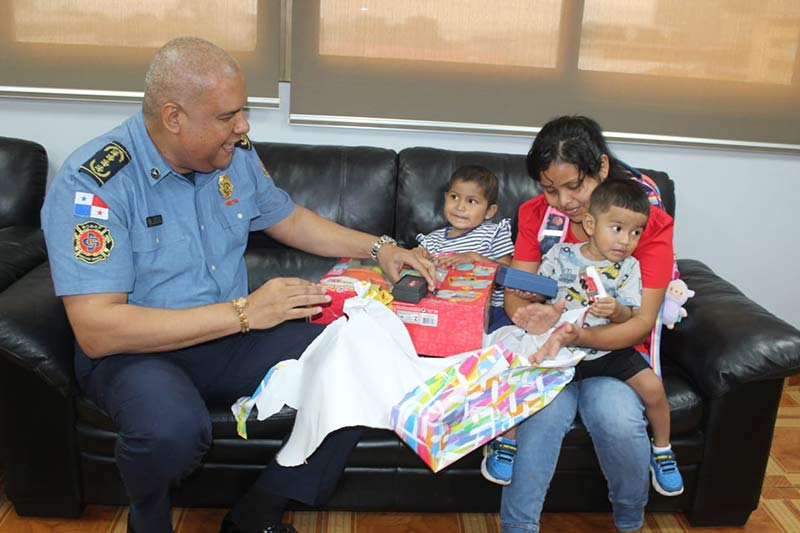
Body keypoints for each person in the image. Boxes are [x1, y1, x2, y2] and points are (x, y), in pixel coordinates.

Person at [40, 37, 433, 533]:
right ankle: (147, 521)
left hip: (232, 337)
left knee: (363, 359)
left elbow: (288, 218)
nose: (243, 126)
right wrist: (246, 312)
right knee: (171, 431)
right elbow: (98, 331)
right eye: (228, 116)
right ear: (173, 117)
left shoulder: (232, 155)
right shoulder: (94, 184)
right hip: (137, 353)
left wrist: (380, 248)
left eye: (242, 111)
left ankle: (256, 516)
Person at [499, 116, 676, 533]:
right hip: (552, 355)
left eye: (574, 185)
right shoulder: (536, 215)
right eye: (549, 189)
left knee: (618, 422)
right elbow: (519, 294)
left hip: (612, 354)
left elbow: (641, 321)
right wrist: (531, 313)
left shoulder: (641, 221)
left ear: (601, 168)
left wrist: (579, 336)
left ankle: (629, 521)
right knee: (539, 421)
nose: (563, 201)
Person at [483, 179, 683, 496]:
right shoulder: (560, 254)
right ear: (590, 224)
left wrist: (616, 310)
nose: (626, 241)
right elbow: (540, 293)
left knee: (653, 388)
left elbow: (631, 316)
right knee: (520, 379)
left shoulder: (630, 267)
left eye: (636, 232)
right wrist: (531, 297)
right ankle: (506, 442)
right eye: (617, 229)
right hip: (561, 346)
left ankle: (662, 450)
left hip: (608, 350)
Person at [412, 164, 514, 331]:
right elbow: (414, 270)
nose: (460, 207)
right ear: (445, 198)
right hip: (442, 310)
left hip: (490, 312)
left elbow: (509, 275)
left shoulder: (494, 234)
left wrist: (475, 258)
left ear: (490, 211)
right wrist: (417, 256)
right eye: (454, 197)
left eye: (471, 201)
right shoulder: (432, 241)